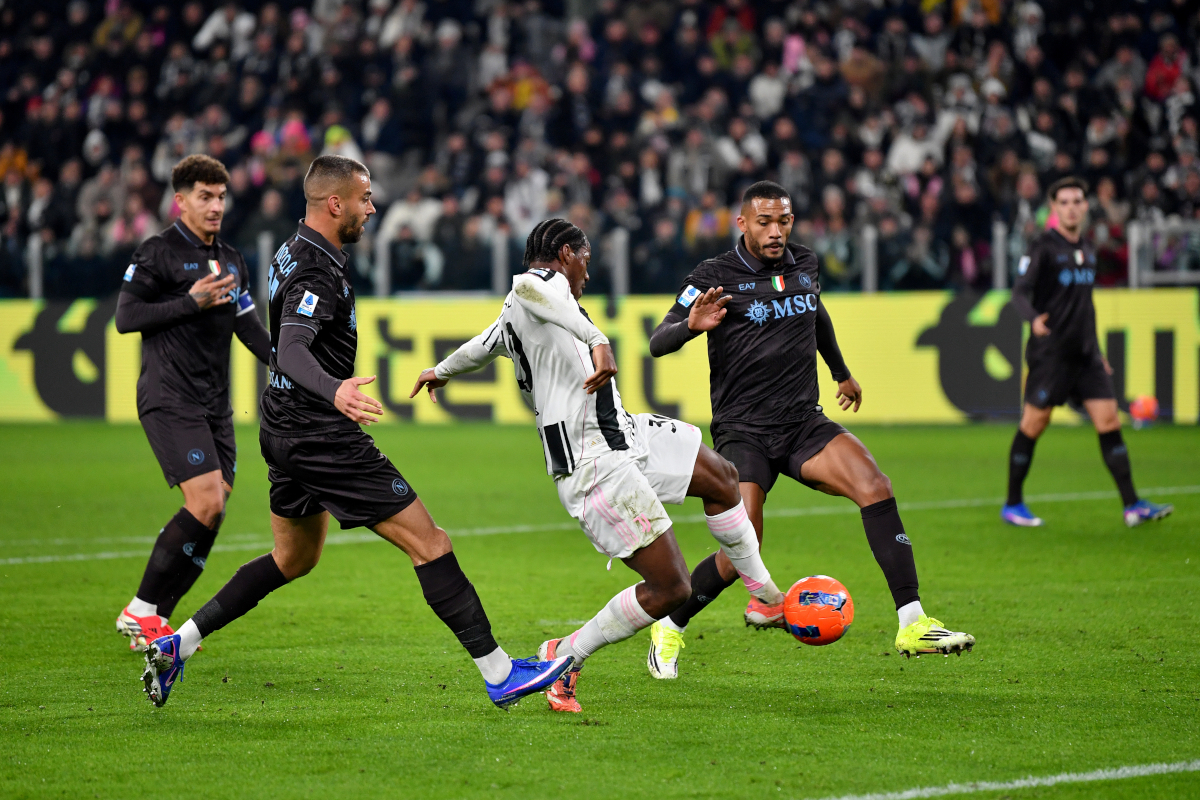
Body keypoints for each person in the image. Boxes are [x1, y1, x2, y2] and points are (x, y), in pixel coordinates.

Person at [140, 156, 572, 709]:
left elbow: (287, 346)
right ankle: (499, 673)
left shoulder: (294, 247)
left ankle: (179, 644)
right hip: (318, 431)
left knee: (293, 559)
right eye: (365, 198)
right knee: (430, 543)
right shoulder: (317, 268)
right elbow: (292, 345)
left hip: (282, 423)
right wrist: (336, 391)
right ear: (334, 203)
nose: (372, 208)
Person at [410, 218, 786, 710]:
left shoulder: (524, 314)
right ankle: (563, 655)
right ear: (566, 254)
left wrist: (438, 371)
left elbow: (479, 348)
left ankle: (765, 593)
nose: (589, 270)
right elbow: (533, 289)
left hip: (625, 434)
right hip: (591, 461)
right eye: (585, 258)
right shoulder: (532, 286)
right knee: (672, 588)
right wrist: (598, 340)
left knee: (722, 476)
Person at [646, 181, 976, 675]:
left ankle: (913, 621)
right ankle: (669, 626)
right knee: (744, 544)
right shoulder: (713, 275)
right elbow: (658, 341)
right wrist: (690, 327)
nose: (776, 232)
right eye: (765, 223)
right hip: (744, 429)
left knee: (875, 485)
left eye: (784, 221)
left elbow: (815, 313)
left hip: (802, 421)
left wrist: (841, 371)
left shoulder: (805, 263)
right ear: (742, 224)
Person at [114, 154, 270, 652]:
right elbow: (126, 316)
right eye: (205, 196)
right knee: (203, 500)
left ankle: (158, 621)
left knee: (216, 508)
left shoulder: (231, 258)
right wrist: (191, 302)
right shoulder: (157, 252)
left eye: (221, 196)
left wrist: (299, 371)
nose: (215, 206)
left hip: (214, 405)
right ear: (180, 200)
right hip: (169, 395)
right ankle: (140, 609)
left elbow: (248, 327)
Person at [1001, 177, 1173, 528]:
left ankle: (1132, 506)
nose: (1071, 207)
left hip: (1086, 356)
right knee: (1034, 423)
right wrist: (1033, 319)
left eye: (1077, 200)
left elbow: (1085, 306)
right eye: (1063, 202)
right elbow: (1019, 292)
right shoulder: (1042, 247)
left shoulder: (1088, 249)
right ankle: (1013, 504)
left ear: (1085, 206)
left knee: (1109, 419)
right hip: (1050, 354)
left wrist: (1097, 350)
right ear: (1054, 208)